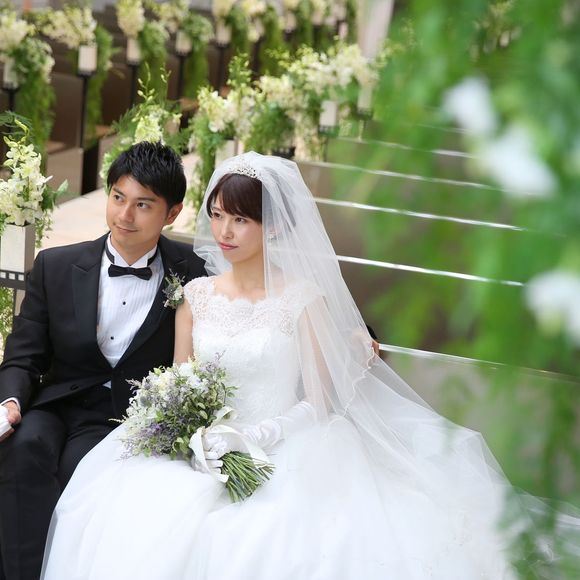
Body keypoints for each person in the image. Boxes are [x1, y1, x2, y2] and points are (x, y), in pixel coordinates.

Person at [40, 152, 580, 579]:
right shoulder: (195, 296)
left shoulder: (301, 299)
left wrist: (264, 433)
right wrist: (193, 432)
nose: (225, 231)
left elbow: (321, 401)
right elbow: (180, 380)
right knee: (127, 515)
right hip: (202, 445)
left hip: (288, 445)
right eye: (219, 216)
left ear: (272, 227)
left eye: (241, 220)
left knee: (262, 537)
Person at [0, 142, 207, 580]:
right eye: (118, 197)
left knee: (81, 468)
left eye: (143, 205)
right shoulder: (56, 265)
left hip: (124, 417)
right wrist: (11, 402)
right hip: (56, 402)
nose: (124, 215)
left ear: (172, 213)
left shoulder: (192, 274)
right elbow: (23, 354)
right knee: (22, 449)